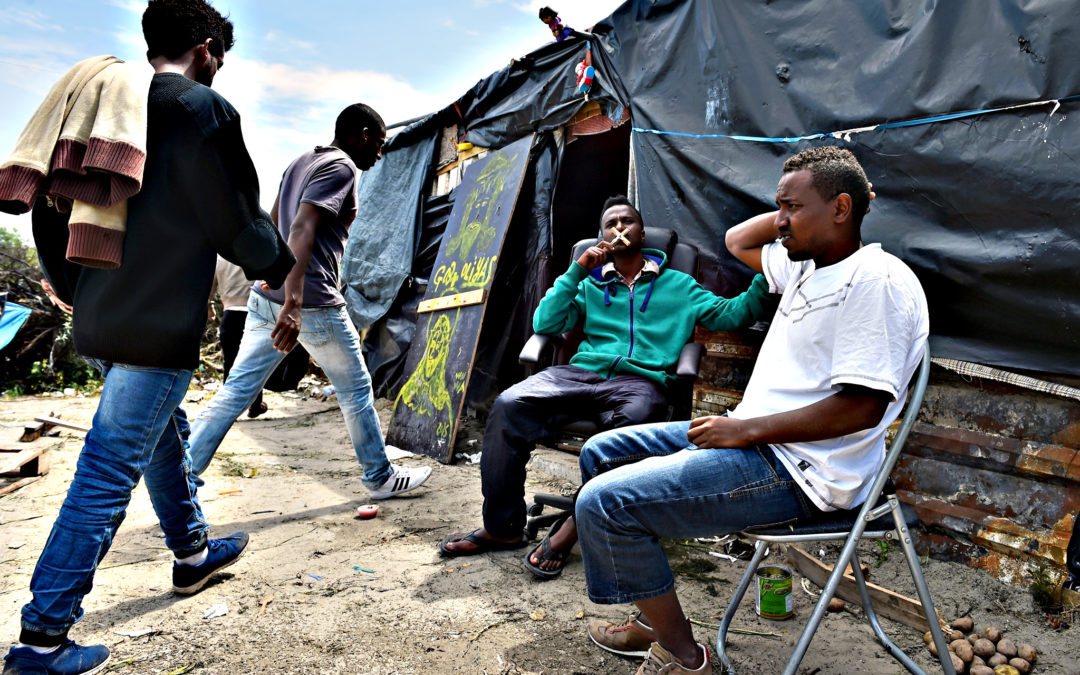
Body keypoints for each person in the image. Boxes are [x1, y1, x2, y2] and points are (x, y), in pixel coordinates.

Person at [3, 1, 296, 673]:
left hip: (104, 316)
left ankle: (191, 553)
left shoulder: (105, 107)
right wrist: (281, 266)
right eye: (219, 54)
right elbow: (235, 222)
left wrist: (72, 288)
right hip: (156, 323)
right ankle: (42, 638)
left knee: (165, 434)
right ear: (205, 47)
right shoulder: (200, 110)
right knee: (107, 471)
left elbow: (52, 211)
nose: (219, 66)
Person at [577, 147, 928, 674]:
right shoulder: (803, 265)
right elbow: (737, 239)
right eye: (777, 206)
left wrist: (744, 430)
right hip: (759, 442)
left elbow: (862, 407)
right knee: (601, 451)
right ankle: (654, 615)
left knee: (603, 504)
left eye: (791, 208)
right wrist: (804, 210)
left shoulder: (873, 281)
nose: (780, 221)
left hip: (805, 471)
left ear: (839, 210)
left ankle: (684, 656)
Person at [439, 196, 772, 580]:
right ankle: (502, 528)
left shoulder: (679, 284)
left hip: (640, 381)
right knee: (510, 404)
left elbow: (736, 313)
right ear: (601, 237)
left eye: (626, 221)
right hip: (580, 374)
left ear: (642, 233)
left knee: (635, 421)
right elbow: (545, 324)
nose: (618, 227)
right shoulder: (589, 285)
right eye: (610, 222)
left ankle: (572, 528)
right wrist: (577, 272)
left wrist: (769, 272)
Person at [187, 104, 432, 501]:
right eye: (379, 144)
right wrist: (295, 302)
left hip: (267, 296)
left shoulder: (301, 160)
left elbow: (270, 220)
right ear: (363, 135)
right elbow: (302, 227)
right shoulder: (341, 167)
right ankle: (379, 477)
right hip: (311, 301)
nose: (379, 154)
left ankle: (184, 474)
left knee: (236, 390)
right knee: (355, 389)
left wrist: (272, 282)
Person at [211, 256, 309, 418]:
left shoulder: (221, 254)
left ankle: (226, 410)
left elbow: (210, 281)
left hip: (231, 314)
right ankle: (256, 404)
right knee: (257, 361)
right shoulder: (260, 247)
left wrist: (209, 305)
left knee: (231, 363)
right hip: (258, 313)